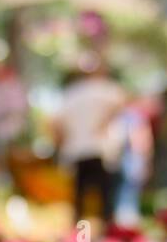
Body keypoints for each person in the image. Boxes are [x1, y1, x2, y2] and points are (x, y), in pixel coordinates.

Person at [54, 64, 126, 228]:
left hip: (77, 151)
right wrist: (103, 124)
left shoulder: (71, 94)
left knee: (81, 201)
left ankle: (81, 241)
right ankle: (107, 240)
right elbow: (121, 103)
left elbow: (55, 123)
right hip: (100, 150)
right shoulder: (107, 89)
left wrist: (64, 142)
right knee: (105, 199)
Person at [113, 98, 154, 226]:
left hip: (126, 160)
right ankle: (127, 223)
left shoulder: (125, 117)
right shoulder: (134, 117)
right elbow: (141, 141)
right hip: (131, 161)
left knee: (126, 193)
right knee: (128, 193)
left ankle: (125, 223)